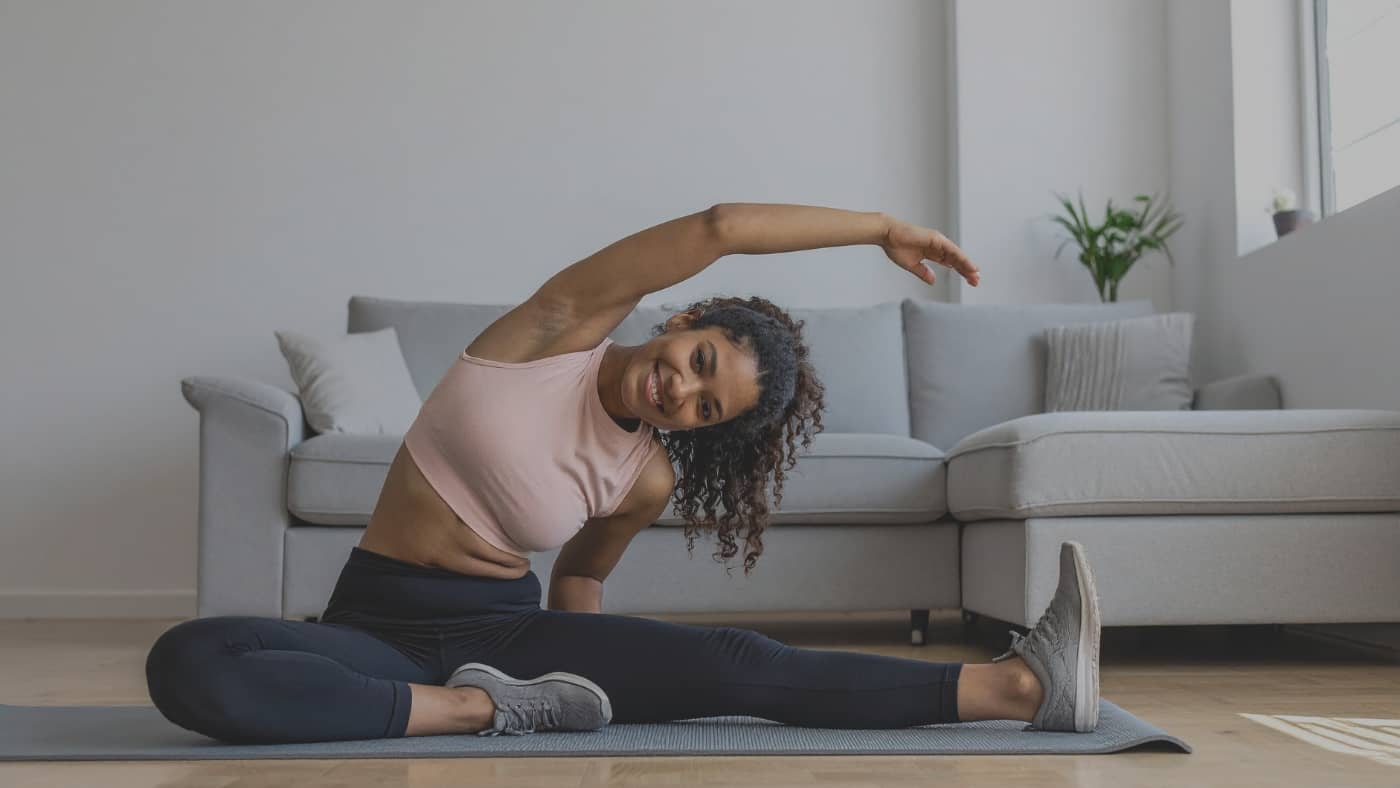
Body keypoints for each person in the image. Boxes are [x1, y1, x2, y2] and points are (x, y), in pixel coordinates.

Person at [145, 203, 1101, 744]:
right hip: (380, 627)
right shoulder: (553, 329)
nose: (681, 393)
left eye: (706, 407)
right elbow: (721, 224)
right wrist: (875, 229)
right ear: (684, 324)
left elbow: (581, 577)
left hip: (508, 628)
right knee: (189, 664)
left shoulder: (643, 478)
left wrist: (584, 656)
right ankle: (479, 713)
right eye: (699, 362)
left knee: (740, 666)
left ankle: (1017, 687)